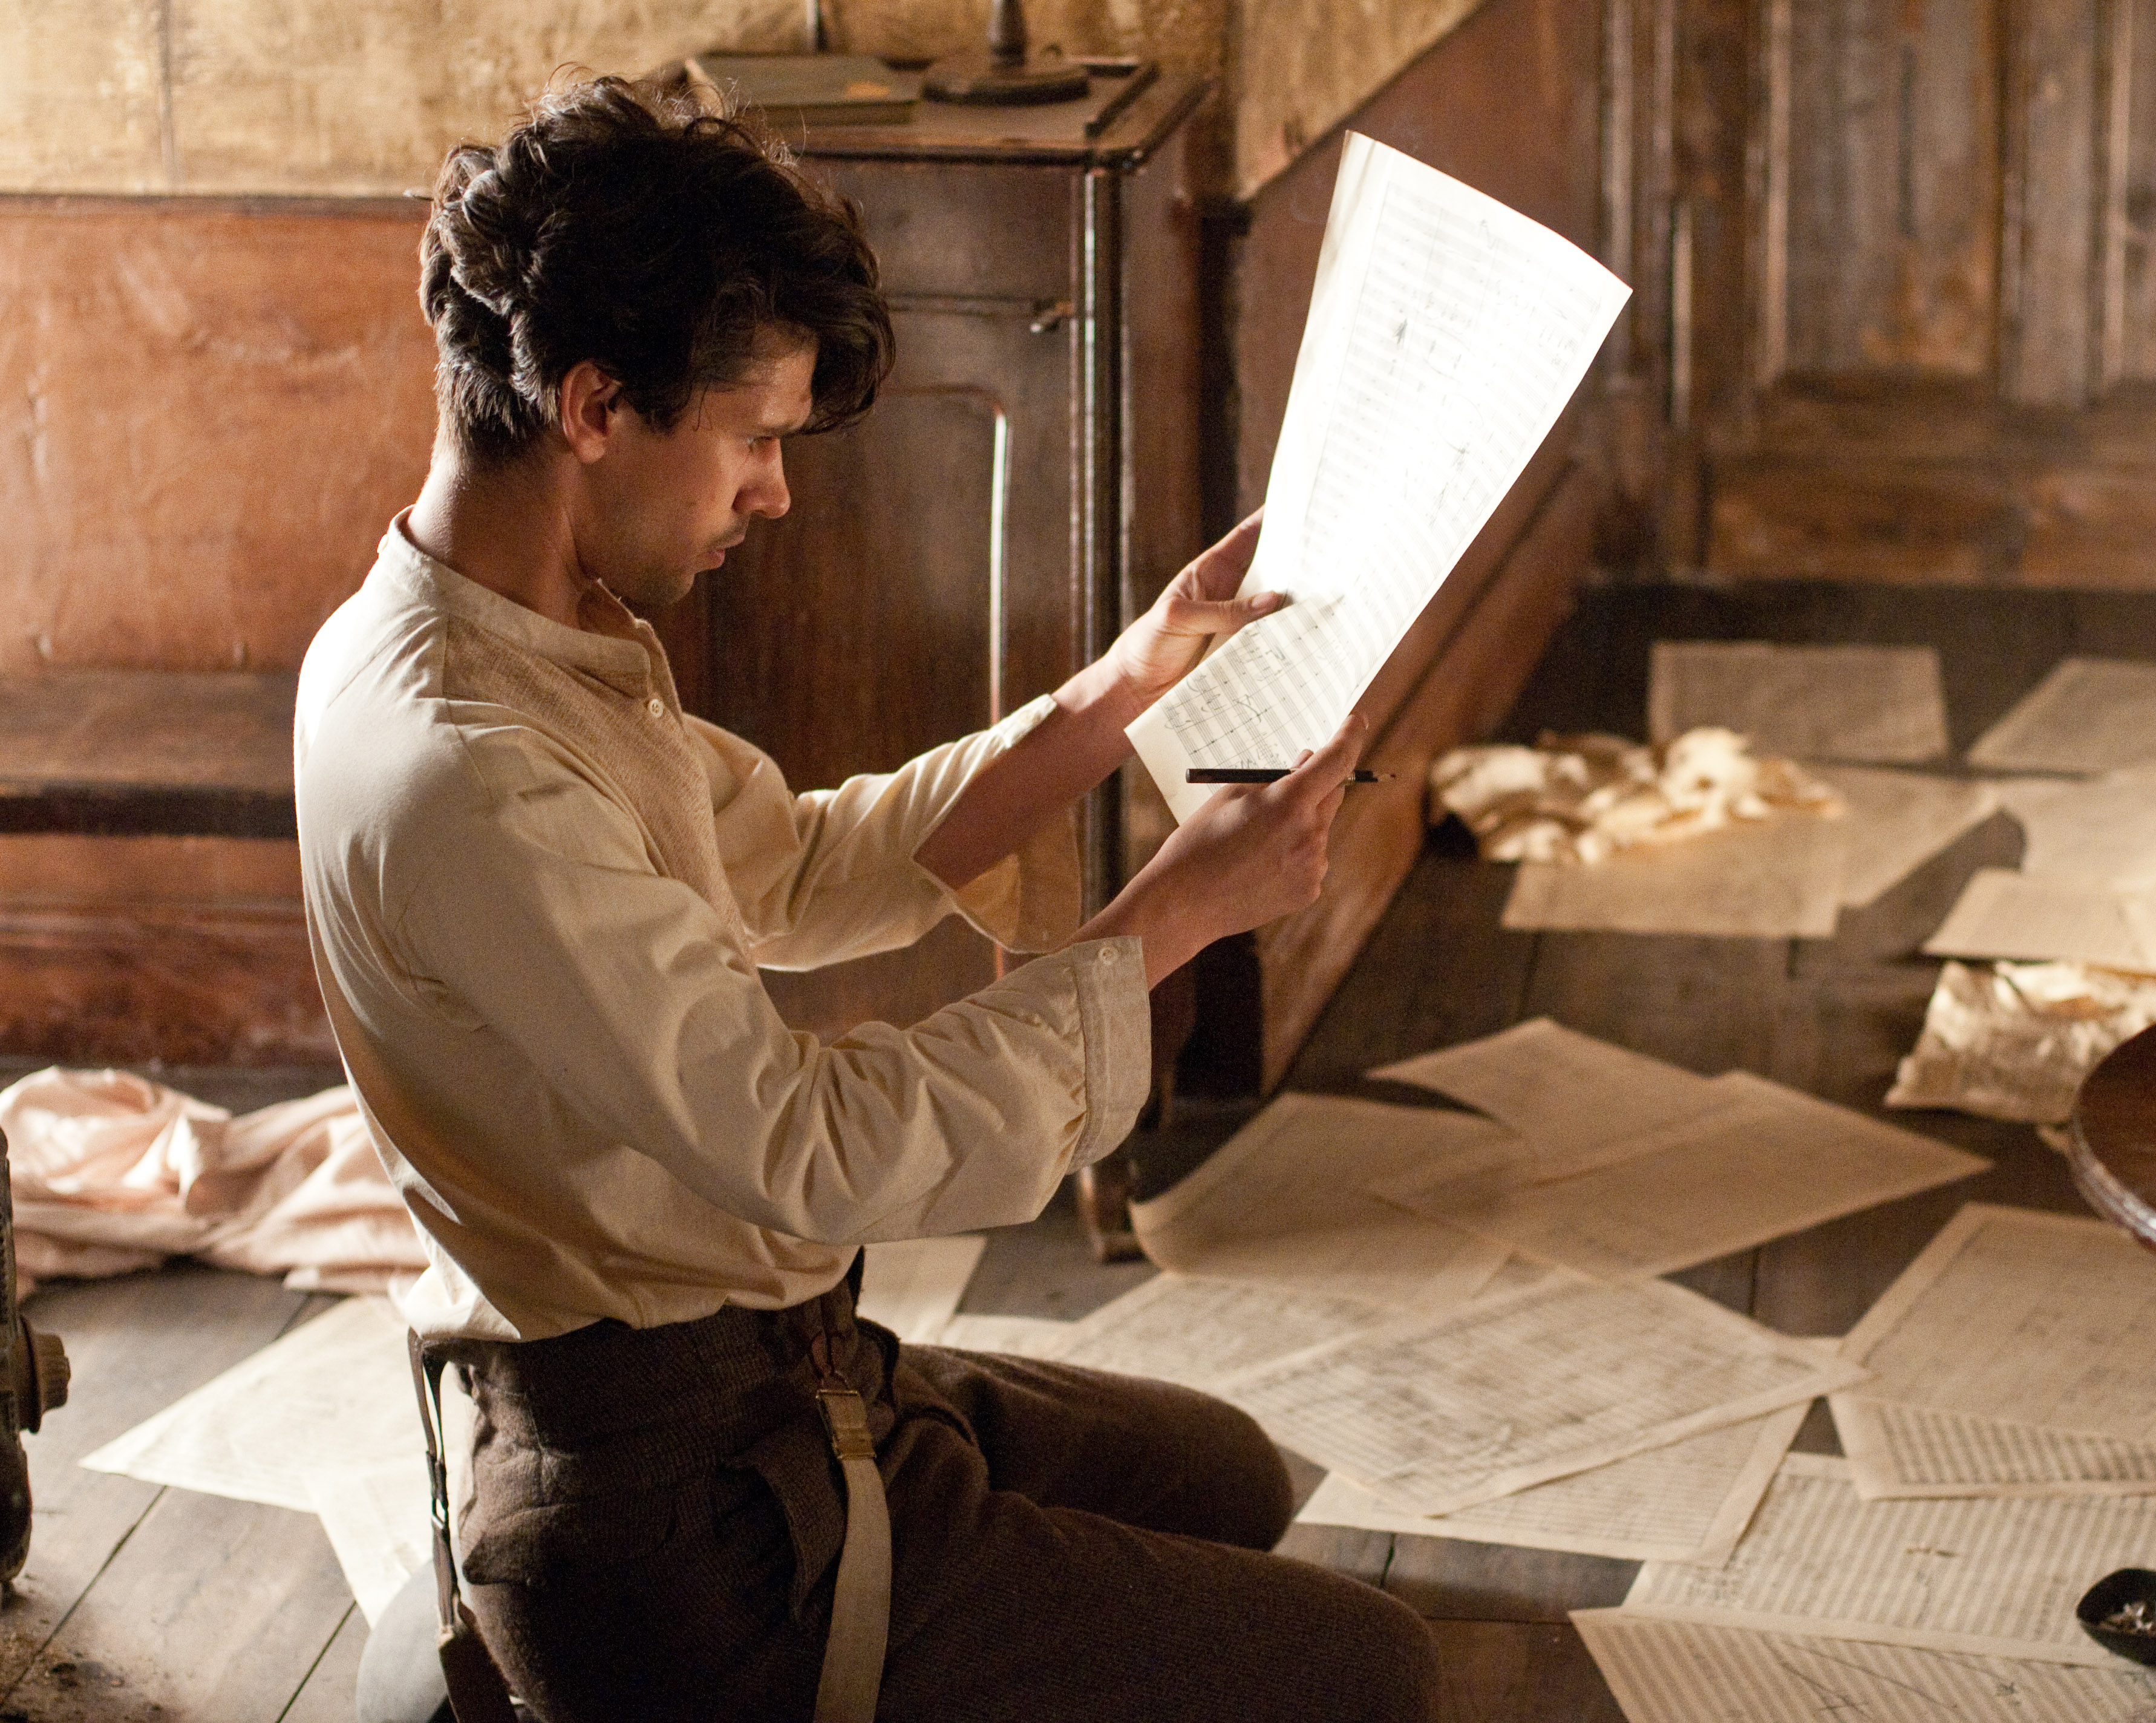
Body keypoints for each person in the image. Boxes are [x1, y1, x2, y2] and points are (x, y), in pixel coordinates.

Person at [294, 74, 1436, 1723]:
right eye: (755, 437)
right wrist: (1172, 919)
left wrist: (1118, 691)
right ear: (597, 405)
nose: (774, 490)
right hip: (671, 1519)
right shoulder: (467, 764)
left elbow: (799, 863)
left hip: (775, 1374)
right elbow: (806, 1147)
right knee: (1375, 1674)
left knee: (1231, 1476)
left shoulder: (512, 633)